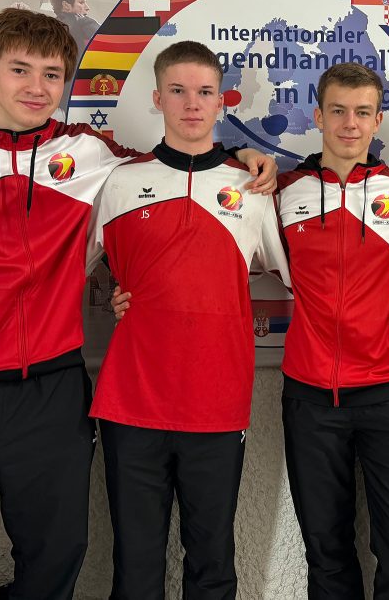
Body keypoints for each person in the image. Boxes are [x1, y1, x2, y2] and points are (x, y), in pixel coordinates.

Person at [0, 8, 275, 599]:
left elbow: (176, 165)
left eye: (53, 74)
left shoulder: (91, 157)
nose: (37, 88)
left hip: (51, 392)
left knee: (53, 570)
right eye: (20, 70)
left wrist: (246, 159)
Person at [90, 40, 290, 599]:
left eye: (204, 92)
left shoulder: (252, 190)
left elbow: (304, 275)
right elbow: (61, 272)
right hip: (132, 401)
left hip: (217, 402)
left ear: (222, 102)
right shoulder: (119, 183)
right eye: (177, 91)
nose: (191, 104)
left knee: (212, 561)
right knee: (135, 563)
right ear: (157, 98)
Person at [274, 63, 389, 599]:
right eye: (338, 111)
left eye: (362, 113)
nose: (349, 124)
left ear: (377, 120)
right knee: (325, 550)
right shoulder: (281, 193)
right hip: (310, 397)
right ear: (318, 116)